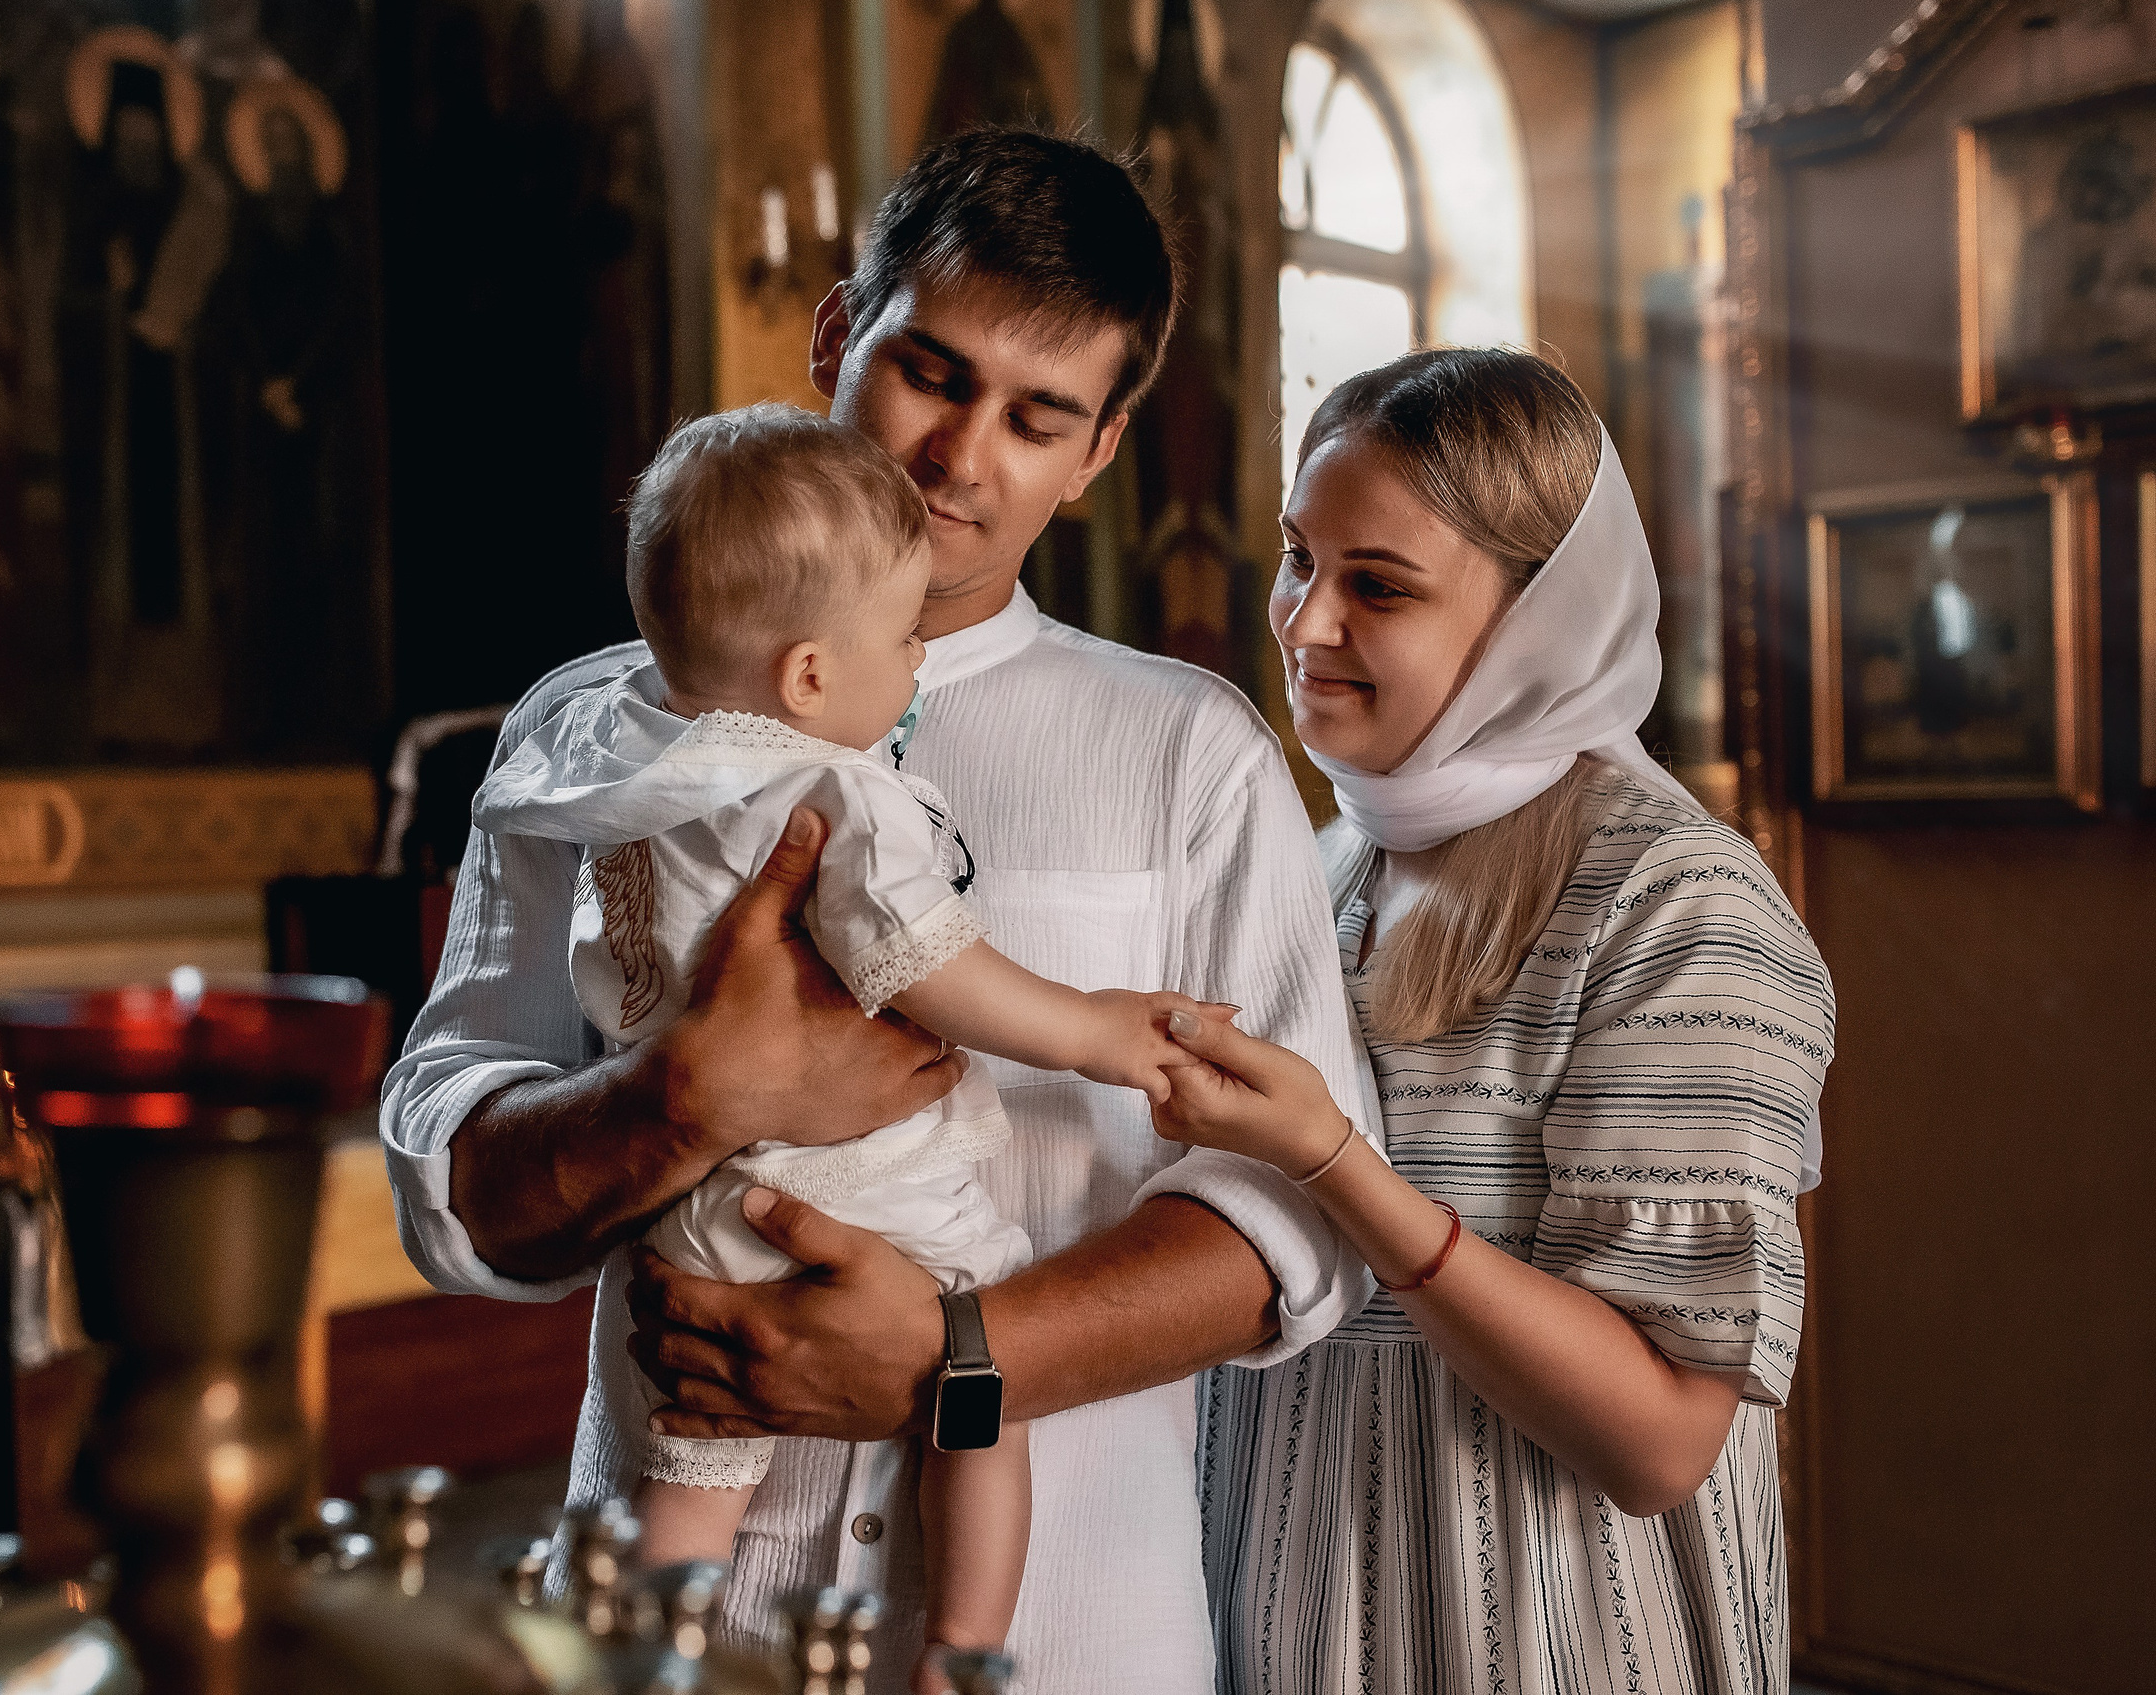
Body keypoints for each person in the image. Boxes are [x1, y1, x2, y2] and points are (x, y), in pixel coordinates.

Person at [381, 127, 1377, 1691]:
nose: (962, 457)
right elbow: (449, 1172)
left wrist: (954, 1358)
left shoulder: (1191, 750)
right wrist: (677, 1097)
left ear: (1100, 450)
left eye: (1039, 416)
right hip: (674, 1622)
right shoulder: (586, 736)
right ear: (838, 333)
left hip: (1071, 1631)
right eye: (932, 370)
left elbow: (1305, 1224)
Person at [473, 402, 1201, 1682]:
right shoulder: (835, 787)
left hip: (692, 1214)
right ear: (809, 676)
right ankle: (964, 1650)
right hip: (854, 1185)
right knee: (981, 1392)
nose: (916, 666)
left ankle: (642, 1656)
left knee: (692, 1472)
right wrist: (1090, 1029)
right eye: (903, 638)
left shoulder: (612, 768)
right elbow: (926, 964)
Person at [1147, 348, 1833, 1693]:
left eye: (1378, 586)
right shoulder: (1319, 862)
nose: (1304, 620)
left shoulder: (1672, 900)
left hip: (1541, 1629)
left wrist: (1334, 1158)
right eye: (1300, 558)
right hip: (1278, 1598)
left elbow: (1655, 1438)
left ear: (1540, 621)